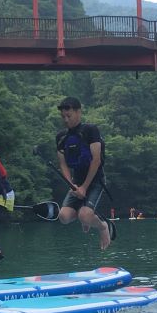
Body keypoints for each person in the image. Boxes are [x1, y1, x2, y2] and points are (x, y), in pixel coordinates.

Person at [55, 97, 115, 250]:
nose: (66, 120)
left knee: (85, 215)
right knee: (63, 217)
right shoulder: (61, 137)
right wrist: (72, 185)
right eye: (63, 117)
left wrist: (84, 187)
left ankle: (102, 226)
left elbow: (96, 161)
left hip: (95, 181)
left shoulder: (90, 130)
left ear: (78, 112)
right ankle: (86, 218)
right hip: (76, 182)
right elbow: (63, 165)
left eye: (69, 116)